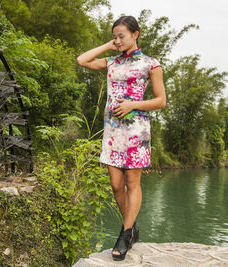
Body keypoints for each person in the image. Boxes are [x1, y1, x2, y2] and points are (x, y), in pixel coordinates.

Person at [76, 15, 166, 261]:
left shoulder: (150, 63)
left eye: (121, 36)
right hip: (113, 129)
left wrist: (133, 105)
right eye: (115, 36)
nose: (118, 40)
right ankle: (132, 225)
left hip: (137, 128)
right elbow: (82, 60)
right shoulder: (112, 62)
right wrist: (108, 45)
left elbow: (161, 101)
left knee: (132, 182)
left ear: (136, 34)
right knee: (116, 185)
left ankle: (125, 234)